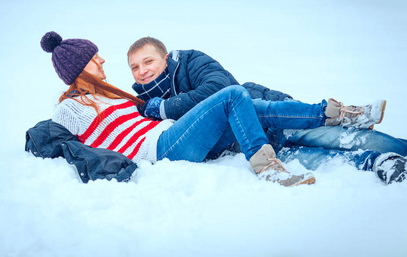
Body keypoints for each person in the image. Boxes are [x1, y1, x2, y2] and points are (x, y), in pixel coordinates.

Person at [41, 31, 329, 187]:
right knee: (232, 95)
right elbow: (57, 140)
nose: (102, 61)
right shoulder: (70, 108)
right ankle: (267, 168)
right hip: (162, 148)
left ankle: (327, 114)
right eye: (94, 58)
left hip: (173, 135)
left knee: (247, 105)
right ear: (79, 68)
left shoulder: (113, 97)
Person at [127, 37, 407, 184]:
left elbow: (218, 89)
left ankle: (387, 142)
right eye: (135, 67)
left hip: (279, 117)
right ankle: (379, 163)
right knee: (320, 160)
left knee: (342, 138)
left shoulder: (189, 62)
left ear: (165, 58)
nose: (143, 71)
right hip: (255, 143)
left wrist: (165, 108)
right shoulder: (144, 108)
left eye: (148, 61)